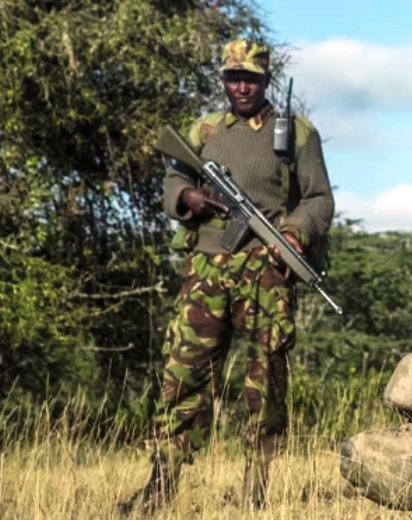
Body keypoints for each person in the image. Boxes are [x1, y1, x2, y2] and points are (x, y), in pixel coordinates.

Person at [118, 38, 335, 515]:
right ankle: (161, 486)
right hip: (205, 268)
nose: (241, 86)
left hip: (267, 269)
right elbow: (175, 180)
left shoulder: (296, 133)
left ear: (266, 80)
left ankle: (256, 489)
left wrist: (296, 233)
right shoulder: (205, 129)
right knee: (184, 374)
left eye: (251, 78)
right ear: (223, 79)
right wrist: (188, 199)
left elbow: (319, 199)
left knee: (266, 379)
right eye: (233, 77)